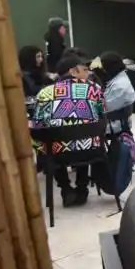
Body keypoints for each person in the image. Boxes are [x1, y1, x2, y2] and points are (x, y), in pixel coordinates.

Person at [31, 53, 105, 207]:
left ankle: (65, 188)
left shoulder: (45, 93)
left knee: (45, 141)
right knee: (84, 136)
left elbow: (38, 127)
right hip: (93, 149)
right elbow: (102, 117)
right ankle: (82, 186)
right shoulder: (95, 89)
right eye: (84, 69)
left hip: (59, 153)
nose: (88, 72)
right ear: (73, 71)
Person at [92, 51, 135, 134]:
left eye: (103, 68)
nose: (102, 71)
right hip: (113, 122)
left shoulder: (120, 87)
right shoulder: (119, 77)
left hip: (113, 127)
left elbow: (100, 108)